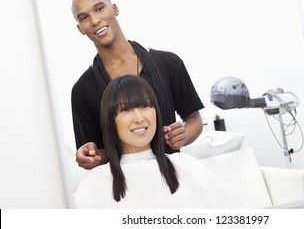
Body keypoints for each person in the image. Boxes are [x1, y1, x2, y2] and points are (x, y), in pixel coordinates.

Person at [71, 0, 204, 169]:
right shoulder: (82, 90)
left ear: (115, 9)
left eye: (99, 8)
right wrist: (89, 156)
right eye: (84, 17)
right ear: (80, 29)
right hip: (124, 188)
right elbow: (95, 152)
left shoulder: (168, 63)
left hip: (173, 177)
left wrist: (182, 136)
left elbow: (194, 119)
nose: (95, 20)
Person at [74, 75, 250, 208]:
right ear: (110, 120)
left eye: (145, 106)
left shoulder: (184, 165)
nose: (139, 118)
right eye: (125, 110)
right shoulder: (96, 182)